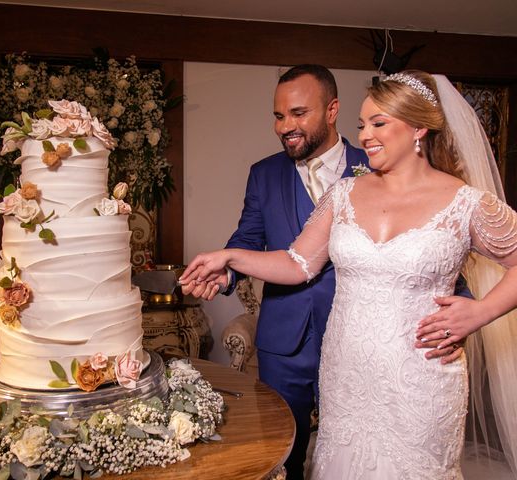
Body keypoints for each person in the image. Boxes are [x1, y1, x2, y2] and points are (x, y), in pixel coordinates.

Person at [181, 70, 517, 478]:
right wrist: (230, 257)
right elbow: (297, 262)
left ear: (419, 129)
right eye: (362, 125)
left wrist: (478, 311)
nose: (366, 135)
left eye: (379, 124)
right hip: (348, 374)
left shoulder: (465, 202)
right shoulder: (343, 194)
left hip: (419, 377)